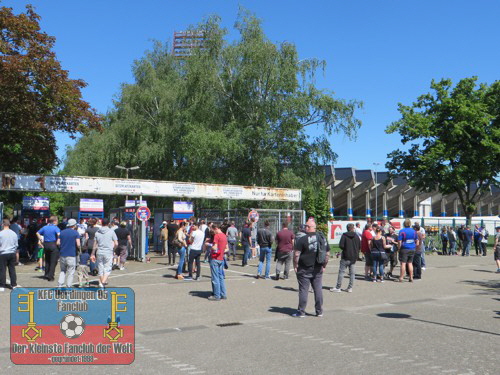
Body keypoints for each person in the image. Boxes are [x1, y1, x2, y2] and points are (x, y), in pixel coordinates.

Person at [292, 218, 329, 317]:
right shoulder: (322, 238)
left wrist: (295, 265)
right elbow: (327, 254)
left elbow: (296, 254)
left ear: (308, 227)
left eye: (306, 226)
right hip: (318, 267)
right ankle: (319, 311)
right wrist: (324, 265)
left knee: (303, 289)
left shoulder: (302, 239)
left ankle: (301, 312)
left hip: (304, 268)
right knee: (318, 289)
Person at [331, 223, 360, 293]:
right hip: (353, 257)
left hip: (346, 256)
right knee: (352, 273)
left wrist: (346, 247)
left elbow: (341, 245)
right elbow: (359, 246)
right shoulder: (356, 236)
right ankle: (350, 287)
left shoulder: (344, 235)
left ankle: (338, 287)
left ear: (347, 228)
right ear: (353, 228)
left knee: (341, 272)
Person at [91, 218, 118, 288]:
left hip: (99, 251)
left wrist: (92, 253)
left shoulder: (97, 232)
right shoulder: (111, 232)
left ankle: (102, 286)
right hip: (108, 252)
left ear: (101, 223)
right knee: (107, 269)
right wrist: (113, 249)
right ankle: (102, 283)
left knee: (100, 268)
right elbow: (116, 243)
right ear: (108, 223)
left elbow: (95, 245)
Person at [37, 216, 61, 282]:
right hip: (53, 244)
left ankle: (46, 274)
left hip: (46, 244)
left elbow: (37, 233)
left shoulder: (45, 227)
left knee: (47, 260)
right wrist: (58, 240)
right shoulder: (56, 228)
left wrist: (41, 240)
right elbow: (59, 234)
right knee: (53, 261)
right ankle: (51, 276)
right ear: (54, 221)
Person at [57, 218, 80, 288]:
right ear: (74, 225)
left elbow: (58, 243)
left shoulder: (62, 232)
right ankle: (68, 286)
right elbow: (78, 244)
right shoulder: (76, 233)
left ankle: (60, 284)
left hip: (62, 254)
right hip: (71, 254)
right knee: (71, 272)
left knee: (63, 270)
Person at [208, 224, 228, 301]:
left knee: (215, 277)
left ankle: (217, 295)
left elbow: (215, 247)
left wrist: (209, 245)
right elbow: (226, 248)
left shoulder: (217, 236)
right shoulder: (224, 235)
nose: (213, 232)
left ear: (216, 228)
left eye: (213, 230)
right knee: (220, 277)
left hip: (215, 258)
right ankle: (223, 294)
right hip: (221, 258)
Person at [396, 218, 418, 283]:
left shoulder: (402, 231)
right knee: (410, 263)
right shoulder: (414, 231)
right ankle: (411, 277)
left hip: (404, 248)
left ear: (404, 224)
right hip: (412, 248)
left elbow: (399, 241)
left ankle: (401, 277)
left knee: (403, 263)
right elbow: (416, 240)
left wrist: (399, 248)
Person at [0, 218, 19, 291]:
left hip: (3, 253)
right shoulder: (14, 233)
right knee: (12, 269)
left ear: (2, 224)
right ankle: (14, 284)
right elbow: (16, 245)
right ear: (9, 224)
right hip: (12, 253)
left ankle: (2, 285)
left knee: (2, 269)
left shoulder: (1, 234)